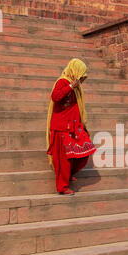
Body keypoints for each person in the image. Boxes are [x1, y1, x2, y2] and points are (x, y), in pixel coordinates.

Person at [46, 58, 96, 195]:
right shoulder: (63, 82)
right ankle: (62, 187)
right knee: (63, 160)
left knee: (84, 151)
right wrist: (69, 87)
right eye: (80, 76)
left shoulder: (75, 85)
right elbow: (55, 96)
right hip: (62, 128)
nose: (81, 80)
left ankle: (69, 173)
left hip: (73, 127)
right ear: (74, 72)